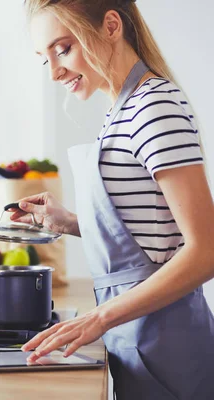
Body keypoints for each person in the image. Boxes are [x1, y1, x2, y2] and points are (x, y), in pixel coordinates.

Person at [13, 1, 214, 399]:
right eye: (44, 58)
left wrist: (98, 318)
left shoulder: (153, 106)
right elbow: (150, 236)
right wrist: (67, 222)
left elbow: (206, 250)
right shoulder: (120, 110)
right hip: (138, 333)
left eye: (63, 49)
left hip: (166, 340)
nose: (54, 72)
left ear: (110, 26)